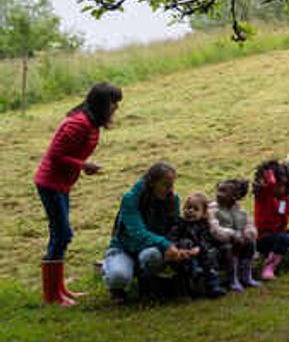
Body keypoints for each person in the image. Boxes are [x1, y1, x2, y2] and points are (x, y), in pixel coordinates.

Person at [33, 81, 121, 306]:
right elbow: (54, 155)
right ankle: (51, 295)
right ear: (102, 103)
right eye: (114, 103)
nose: (116, 108)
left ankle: (60, 289)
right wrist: (83, 165)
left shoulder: (92, 124)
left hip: (61, 184)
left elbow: (71, 156)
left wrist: (81, 166)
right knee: (61, 234)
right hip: (50, 183)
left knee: (61, 234)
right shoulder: (78, 124)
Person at [102, 161, 198, 299]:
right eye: (166, 184)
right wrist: (166, 245)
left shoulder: (173, 199)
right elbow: (137, 232)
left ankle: (146, 283)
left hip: (150, 249)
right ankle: (112, 275)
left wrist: (181, 247)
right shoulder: (130, 199)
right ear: (153, 183)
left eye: (172, 184)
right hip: (124, 248)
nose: (170, 189)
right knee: (119, 277)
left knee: (152, 255)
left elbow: (174, 229)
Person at [167, 191, 227, 298]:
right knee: (186, 245)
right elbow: (172, 238)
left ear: (203, 214)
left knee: (210, 263)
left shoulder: (203, 225)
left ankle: (213, 287)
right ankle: (188, 290)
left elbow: (207, 240)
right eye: (188, 207)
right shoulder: (179, 223)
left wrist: (199, 248)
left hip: (202, 255)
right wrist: (180, 247)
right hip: (184, 255)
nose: (190, 211)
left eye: (195, 209)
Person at [210, 178, 259, 290]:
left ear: (235, 197)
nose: (218, 194)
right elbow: (214, 229)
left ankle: (246, 275)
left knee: (250, 244)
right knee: (228, 248)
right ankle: (232, 278)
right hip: (219, 244)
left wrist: (248, 233)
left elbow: (250, 224)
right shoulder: (212, 210)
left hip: (239, 242)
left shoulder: (241, 211)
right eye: (218, 190)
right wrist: (232, 235)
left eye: (223, 191)